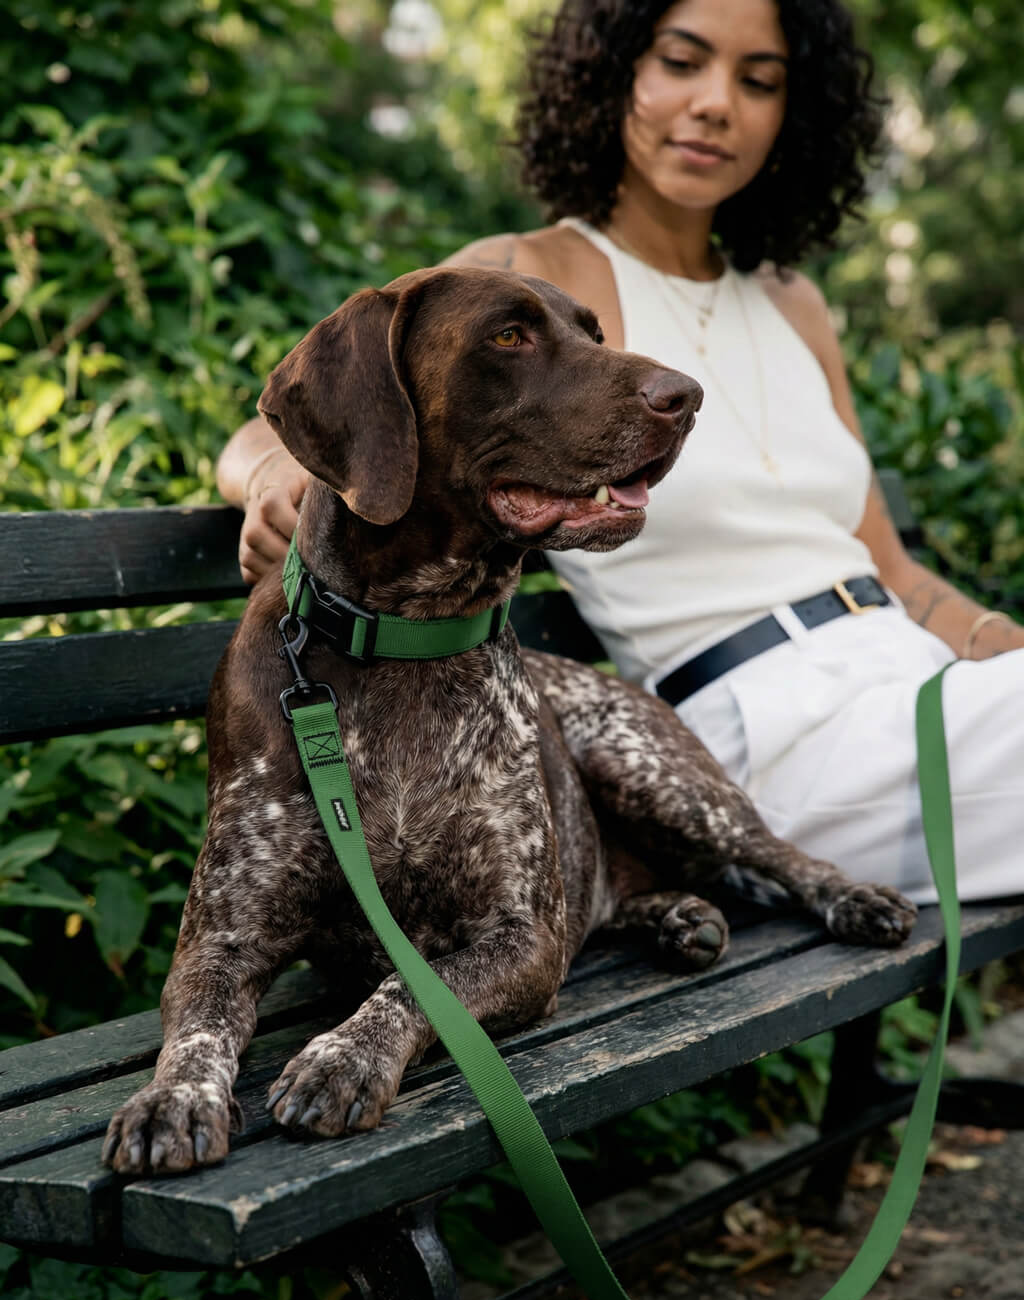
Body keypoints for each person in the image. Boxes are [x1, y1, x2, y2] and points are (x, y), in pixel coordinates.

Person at [217, 0, 1024, 904]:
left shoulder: (796, 303)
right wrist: (273, 473)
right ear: (609, 75)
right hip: (759, 739)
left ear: (798, 116)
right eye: (682, 62)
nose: (717, 102)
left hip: (920, 691)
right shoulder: (532, 278)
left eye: (759, 80)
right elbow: (326, 388)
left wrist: (1003, 650)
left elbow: (895, 573)